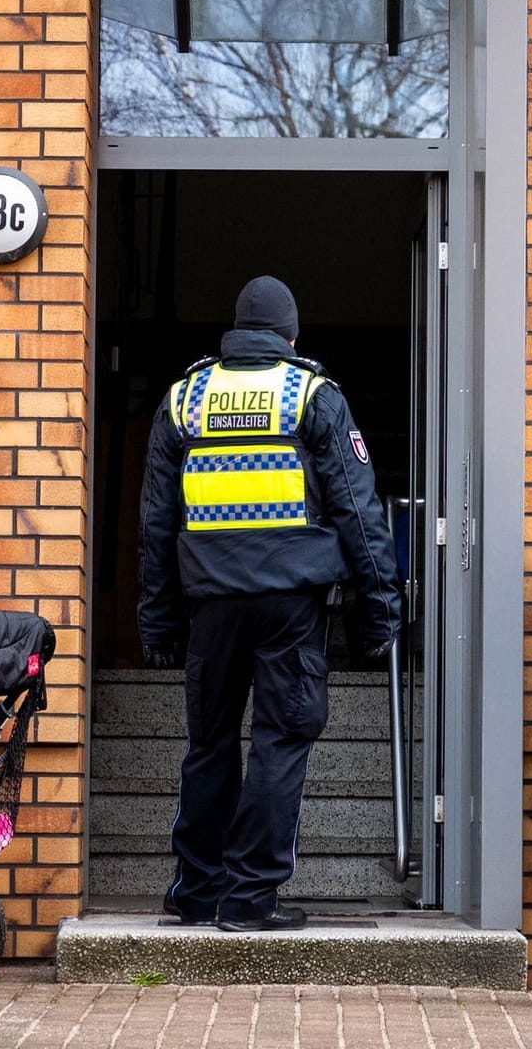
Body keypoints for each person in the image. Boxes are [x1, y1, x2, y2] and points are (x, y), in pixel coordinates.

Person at [138, 275, 402, 932]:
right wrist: (380, 611)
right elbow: (358, 510)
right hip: (291, 603)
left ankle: (198, 891)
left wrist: (158, 615)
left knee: (209, 746)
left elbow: (154, 522)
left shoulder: (185, 397)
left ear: (235, 330)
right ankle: (251, 897)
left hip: (211, 606)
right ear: (291, 335)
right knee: (279, 744)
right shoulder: (312, 394)